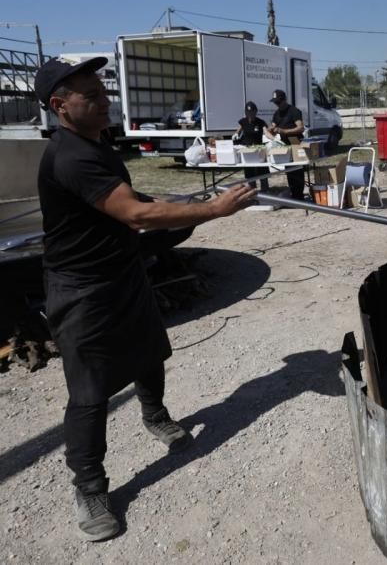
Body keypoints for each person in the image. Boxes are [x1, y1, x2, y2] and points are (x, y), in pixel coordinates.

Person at [34, 56, 257, 541]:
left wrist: (175, 207)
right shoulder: (71, 157)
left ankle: (155, 415)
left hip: (123, 273)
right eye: (90, 96)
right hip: (82, 289)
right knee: (90, 395)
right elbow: (134, 213)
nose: (104, 101)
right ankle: (90, 487)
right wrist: (213, 209)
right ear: (60, 106)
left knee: (150, 350)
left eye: (102, 91)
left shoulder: (98, 143)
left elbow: (129, 202)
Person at [267, 89, 305, 200]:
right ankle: (293, 194)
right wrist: (271, 129)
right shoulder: (276, 113)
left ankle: (299, 195)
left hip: (296, 142)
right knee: (289, 170)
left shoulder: (294, 111)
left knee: (297, 170)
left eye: (278, 102)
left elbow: (301, 128)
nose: (277, 104)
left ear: (284, 100)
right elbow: (274, 126)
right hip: (284, 145)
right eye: (275, 102)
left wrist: (284, 131)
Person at [234, 101, 271, 190]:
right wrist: (235, 135)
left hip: (259, 150)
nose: (251, 114)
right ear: (246, 113)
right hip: (248, 150)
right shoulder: (242, 121)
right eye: (249, 112)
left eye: (253, 112)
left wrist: (274, 139)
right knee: (250, 174)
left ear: (256, 112)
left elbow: (266, 133)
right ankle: (253, 193)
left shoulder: (260, 122)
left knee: (263, 174)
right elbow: (237, 131)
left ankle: (265, 192)